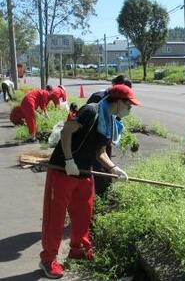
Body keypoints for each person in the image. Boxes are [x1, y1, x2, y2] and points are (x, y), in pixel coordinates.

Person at [39, 84, 141, 279]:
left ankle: (78, 250)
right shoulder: (92, 110)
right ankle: (48, 259)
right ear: (118, 102)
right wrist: (69, 160)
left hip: (85, 172)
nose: (130, 109)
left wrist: (113, 168)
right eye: (129, 105)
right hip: (63, 170)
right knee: (56, 217)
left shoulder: (109, 121)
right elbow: (67, 131)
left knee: (83, 214)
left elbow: (100, 151)